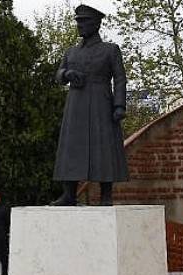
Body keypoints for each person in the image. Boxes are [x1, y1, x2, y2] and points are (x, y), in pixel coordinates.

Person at [50, 4, 128, 206]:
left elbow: (120, 79)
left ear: (96, 24)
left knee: (104, 146)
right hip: (76, 104)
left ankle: (106, 194)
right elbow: (58, 75)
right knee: (71, 147)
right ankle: (69, 194)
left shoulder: (110, 50)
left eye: (84, 22)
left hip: (101, 101)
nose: (79, 26)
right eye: (78, 22)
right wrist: (67, 74)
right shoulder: (71, 52)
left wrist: (119, 105)